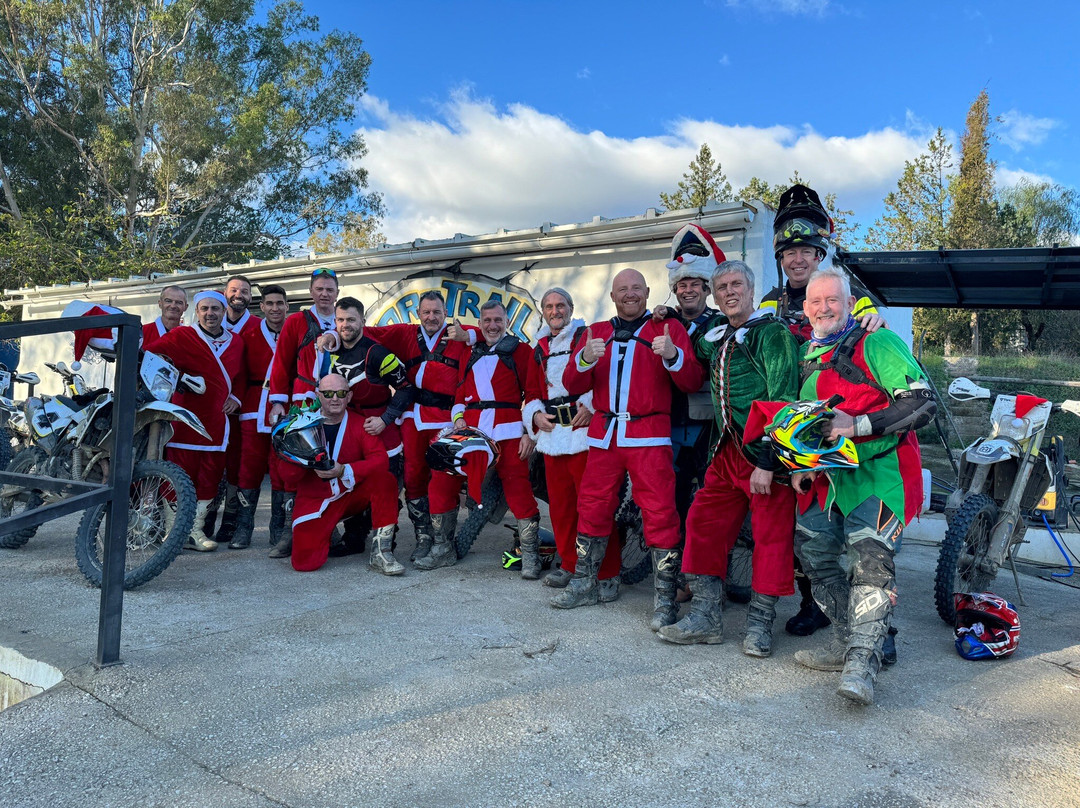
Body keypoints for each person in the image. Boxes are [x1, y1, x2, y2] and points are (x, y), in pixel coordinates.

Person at [792, 266, 936, 705]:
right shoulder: (810, 357)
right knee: (812, 551)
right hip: (831, 479)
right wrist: (802, 464)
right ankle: (845, 641)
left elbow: (922, 403)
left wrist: (857, 425)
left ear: (851, 305)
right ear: (806, 309)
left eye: (832, 300)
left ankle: (862, 663)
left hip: (883, 474)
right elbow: (810, 424)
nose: (824, 308)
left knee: (870, 561)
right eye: (816, 302)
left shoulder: (878, 341)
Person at [762, 183, 886, 638]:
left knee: (848, 526)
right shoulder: (771, 302)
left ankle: (869, 620)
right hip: (792, 422)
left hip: (840, 421)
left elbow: (872, 329)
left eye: (806, 251)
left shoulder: (848, 294)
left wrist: (874, 320)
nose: (798, 260)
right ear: (781, 257)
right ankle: (814, 604)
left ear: (820, 253)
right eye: (789, 253)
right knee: (805, 523)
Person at [657, 260, 799, 655]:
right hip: (725, 453)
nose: (730, 292)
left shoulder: (772, 334)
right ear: (714, 297)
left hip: (765, 455)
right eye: (722, 287)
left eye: (737, 285)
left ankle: (759, 626)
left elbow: (784, 401)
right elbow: (692, 349)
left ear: (751, 291)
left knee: (771, 539)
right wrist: (669, 315)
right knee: (702, 523)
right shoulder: (716, 333)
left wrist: (768, 462)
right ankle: (706, 617)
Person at [557, 268, 704, 622]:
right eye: (623, 289)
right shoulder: (596, 332)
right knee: (591, 508)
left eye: (636, 288)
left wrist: (673, 356)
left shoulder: (667, 328)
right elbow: (571, 384)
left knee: (660, 513)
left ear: (648, 292)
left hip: (649, 436)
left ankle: (665, 599)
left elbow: (691, 381)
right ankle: (585, 582)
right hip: (604, 435)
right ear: (612, 296)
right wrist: (584, 359)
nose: (630, 294)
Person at [357, 291, 477, 564]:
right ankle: (424, 536)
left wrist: (468, 335)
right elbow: (366, 332)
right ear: (418, 314)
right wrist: (332, 334)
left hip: (447, 417)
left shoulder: (459, 333)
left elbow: (490, 331)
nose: (431, 317)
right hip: (414, 416)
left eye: (436, 312)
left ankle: (442, 539)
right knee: (412, 475)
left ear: (445, 314)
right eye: (426, 312)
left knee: (444, 477)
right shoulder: (405, 333)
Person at [424, 301, 540, 572]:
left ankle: (531, 554)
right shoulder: (469, 351)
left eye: (498, 320)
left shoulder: (522, 351)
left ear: (507, 322)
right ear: (479, 324)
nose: (492, 325)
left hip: (509, 429)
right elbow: (460, 393)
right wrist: (458, 419)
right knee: (442, 477)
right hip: (472, 431)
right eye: (487, 320)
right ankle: (442, 548)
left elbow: (534, 394)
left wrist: (529, 433)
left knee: (518, 487)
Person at [522, 288, 622, 592]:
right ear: (543, 312)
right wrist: (535, 416)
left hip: (584, 436)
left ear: (571, 308)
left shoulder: (586, 336)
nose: (556, 311)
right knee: (560, 507)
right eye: (549, 306)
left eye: (561, 305)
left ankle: (607, 571)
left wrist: (591, 406)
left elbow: (606, 378)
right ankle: (569, 563)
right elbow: (532, 392)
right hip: (553, 437)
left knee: (595, 507)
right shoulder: (538, 348)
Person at [150, 290, 246, 551]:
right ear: (196, 311)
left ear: (224, 311)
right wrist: (177, 378)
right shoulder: (182, 336)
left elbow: (241, 376)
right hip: (185, 421)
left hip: (217, 424)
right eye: (204, 308)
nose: (210, 313)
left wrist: (236, 398)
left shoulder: (236, 342)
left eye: (215, 308)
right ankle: (173, 532)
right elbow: (150, 357)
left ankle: (194, 531)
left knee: (209, 478)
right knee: (177, 477)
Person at [279, 373, 401, 574]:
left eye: (341, 393)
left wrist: (344, 470)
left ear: (349, 396)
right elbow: (288, 477)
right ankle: (327, 533)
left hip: (350, 493)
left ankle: (382, 552)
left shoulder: (360, 424)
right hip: (315, 500)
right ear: (318, 395)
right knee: (305, 564)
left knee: (385, 480)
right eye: (328, 393)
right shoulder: (301, 425)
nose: (335, 398)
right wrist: (295, 453)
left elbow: (381, 461)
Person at [266, 267, 339, 558]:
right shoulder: (297, 321)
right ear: (311, 291)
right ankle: (289, 531)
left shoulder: (343, 319)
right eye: (319, 289)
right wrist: (277, 401)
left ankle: (328, 527)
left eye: (329, 289)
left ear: (337, 292)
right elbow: (281, 362)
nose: (324, 294)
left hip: (336, 401)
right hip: (303, 401)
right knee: (296, 464)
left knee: (332, 459)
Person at [231, 284, 289, 551]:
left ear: (286, 306)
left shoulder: (295, 332)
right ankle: (243, 528)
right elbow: (239, 372)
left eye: (280, 303)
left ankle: (278, 528)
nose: (275, 308)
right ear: (262, 306)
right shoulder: (249, 334)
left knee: (281, 468)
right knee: (249, 467)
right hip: (254, 407)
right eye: (270, 304)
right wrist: (237, 399)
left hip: (286, 408)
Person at [211, 274, 262, 546]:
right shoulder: (210, 323)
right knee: (210, 461)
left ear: (251, 297)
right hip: (211, 404)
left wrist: (239, 397)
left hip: (241, 405)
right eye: (233, 290)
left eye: (244, 291)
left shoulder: (258, 327)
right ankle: (206, 515)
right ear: (224, 293)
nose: (238, 295)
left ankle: (231, 518)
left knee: (237, 463)